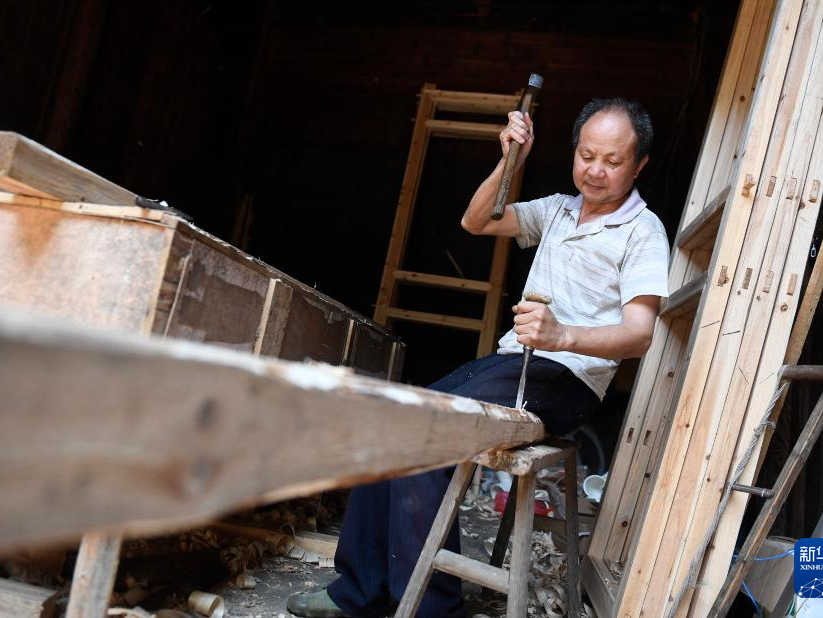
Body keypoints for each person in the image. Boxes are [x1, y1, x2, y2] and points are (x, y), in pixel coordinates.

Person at [287, 97, 670, 618]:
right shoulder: (558, 209)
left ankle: (432, 609)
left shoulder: (643, 231)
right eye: (586, 155)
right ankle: (359, 591)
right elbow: (475, 221)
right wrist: (510, 159)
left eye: (613, 161)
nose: (595, 171)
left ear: (639, 165)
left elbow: (639, 335)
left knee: (431, 429)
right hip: (515, 361)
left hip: (569, 378)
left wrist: (562, 335)